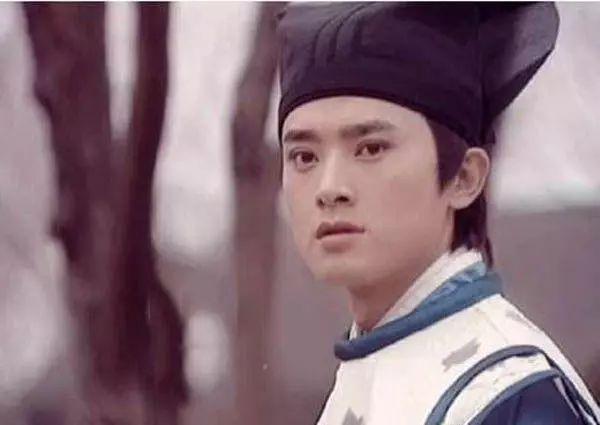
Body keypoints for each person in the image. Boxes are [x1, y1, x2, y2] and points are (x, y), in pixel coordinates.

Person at [275, 2, 600, 424]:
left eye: (370, 149)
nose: (329, 188)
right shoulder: (366, 367)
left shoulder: (507, 394)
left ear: (464, 176)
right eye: (304, 157)